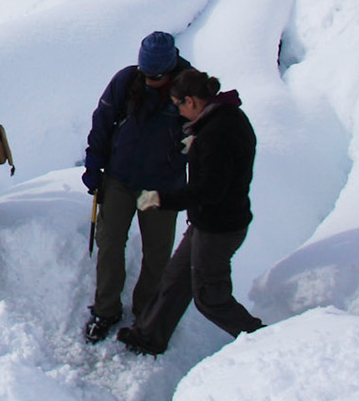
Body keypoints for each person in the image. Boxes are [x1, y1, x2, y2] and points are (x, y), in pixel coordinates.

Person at [118, 70, 265, 353]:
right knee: (175, 278)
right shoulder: (225, 118)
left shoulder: (216, 133)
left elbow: (210, 190)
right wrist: (196, 146)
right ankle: (148, 337)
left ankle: (263, 339)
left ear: (192, 101)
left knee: (210, 297)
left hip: (219, 227)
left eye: (178, 105)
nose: (178, 112)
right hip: (207, 221)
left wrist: (161, 198)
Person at [81, 31, 192, 344]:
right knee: (109, 243)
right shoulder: (127, 81)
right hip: (120, 178)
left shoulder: (188, 89)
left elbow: (201, 140)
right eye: (146, 74)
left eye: (156, 76)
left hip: (162, 186)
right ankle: (106, 309)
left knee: (157, 253)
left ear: (170, 67)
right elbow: (103, 121)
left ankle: (147, 311)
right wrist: (94, 165)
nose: (150, 81)